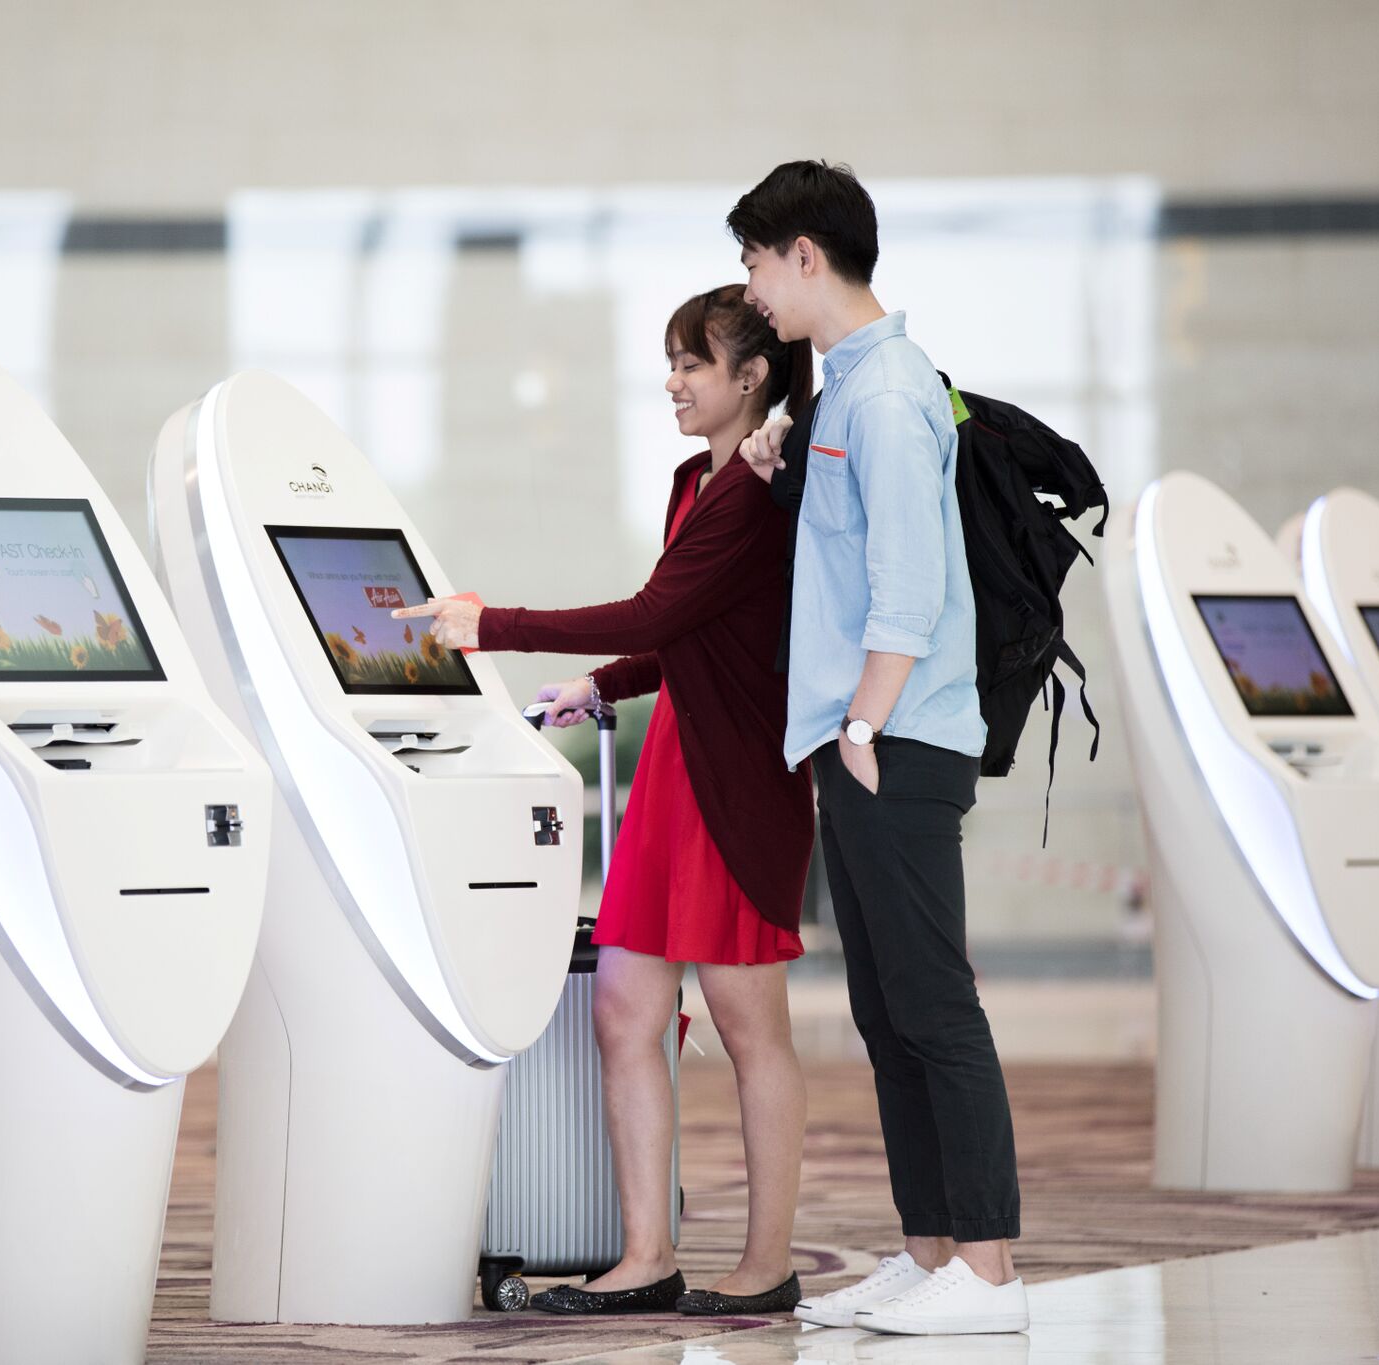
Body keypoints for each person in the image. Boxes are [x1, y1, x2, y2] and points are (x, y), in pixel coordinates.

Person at [395, 284, 815, 1317]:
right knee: (625, 1009)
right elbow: (684, 634)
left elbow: (658, 607)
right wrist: (604, 684)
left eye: (691, 364)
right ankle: (643, 1257)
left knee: (746, 1025)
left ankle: (765, 1267)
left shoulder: (756, 498)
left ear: (750, 376)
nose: (671, 382)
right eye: (670, 362)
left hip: (735, 781)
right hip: (677, 768)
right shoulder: (697, 482)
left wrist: (490, 625)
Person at [730, 160, 1028, 1337]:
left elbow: (905, 583)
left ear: (805, 253)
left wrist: (862, 722)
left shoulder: (889, 394)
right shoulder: (844, 391)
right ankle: (929, 1252)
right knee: (885, 1006)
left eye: (757, 263)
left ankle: (990, 1275)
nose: (751, 290)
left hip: (889, 737)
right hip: (857, 737)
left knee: (933, 1004)